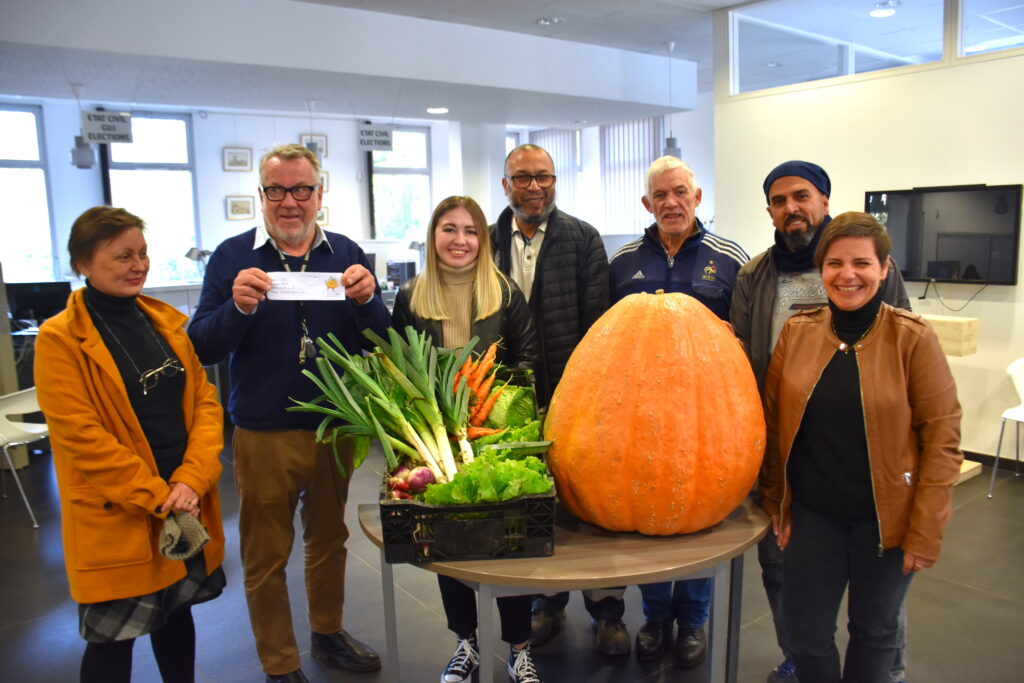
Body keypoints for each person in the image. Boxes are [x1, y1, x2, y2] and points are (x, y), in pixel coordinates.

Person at [188, 144, 389, 683]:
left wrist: (368, 301)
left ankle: (327, 633)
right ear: (262, 195)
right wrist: (236, 308)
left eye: (302, 189)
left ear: (320, 194)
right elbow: (201, 345)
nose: (290, 202)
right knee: (265, 554)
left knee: (329, 540)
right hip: (264, 431)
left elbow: (379, 338)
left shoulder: (345, 253)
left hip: (333, 426)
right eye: (277, 190)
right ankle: (279, 664)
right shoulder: (232, 256)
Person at [730, 160, 911, 683]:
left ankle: (889, 671)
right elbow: (742, 360)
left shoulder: (870, 267)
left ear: (824, 201)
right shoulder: (753, 275)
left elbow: (903, 348)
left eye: (802, 196)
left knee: (878, 590)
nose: (791, 208)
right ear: (769, 210)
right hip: (789, 455)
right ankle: (798, 658)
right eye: (779, 200)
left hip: (865, 458)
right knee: (782, 569)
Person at [761, 211, 962, 683]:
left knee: (875, 632)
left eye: (862, 263)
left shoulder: (913, 338)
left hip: (886, 522)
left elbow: (943, 439)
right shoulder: (797, 332)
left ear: (884, 269)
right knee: (805, 634)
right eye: (834, 263)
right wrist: (777, 503)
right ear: (821, 269)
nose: (847, 274)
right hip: (813, 516)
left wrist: (926, 530)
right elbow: (774, 426)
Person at [34, 206, 226, 683]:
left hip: (182, 500)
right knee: (111, 642)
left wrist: (190, 480)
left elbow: (204, 403)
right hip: (120, 512)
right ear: (83, 263)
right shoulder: (58, 339)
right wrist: (158, 495)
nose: (138, 265)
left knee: (176, 617)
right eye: (123, 256)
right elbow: (81, 437)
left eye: (142, 253)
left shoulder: (164, 324)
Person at [392, 195, 542, 683]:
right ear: (433, 236)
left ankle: (520, 648)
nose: (460, 240)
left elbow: (527, 361)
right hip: (439, 440)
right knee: (449, 543)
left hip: (495, 434)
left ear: (484, 239)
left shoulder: (505, 293)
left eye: (471, 231)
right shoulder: (411, 297)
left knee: (511, 545)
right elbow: (399, 369)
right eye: (449, 229)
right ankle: (466, 642)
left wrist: (498, 411)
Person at [608, 155, 748, 669]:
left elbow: (745, 331)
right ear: (647, 203)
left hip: (707, 419)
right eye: (660, 195)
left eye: (680, 192)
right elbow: (606, 339)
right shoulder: (622, 261)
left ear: (697, 197)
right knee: (647, 513)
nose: (671, 202)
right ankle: (655, 617)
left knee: (697, 515)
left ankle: (693, 620)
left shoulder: (731, 258)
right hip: (638, 418)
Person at [489, 144, 619, 655]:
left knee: (592, 503)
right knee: (533, 506)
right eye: (523, 178)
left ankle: (606, 609)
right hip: (511, 399)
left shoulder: (582, 239)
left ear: (555, 180)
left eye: (543, 176)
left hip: (576, 396)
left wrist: (593, 393)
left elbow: (598, 324)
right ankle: (545, 602)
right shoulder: (487, 241)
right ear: (506, 185)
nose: (534, 187)